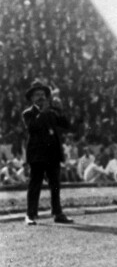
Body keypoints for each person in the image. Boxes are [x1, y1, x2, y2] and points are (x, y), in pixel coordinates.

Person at [22, 80, 73, 225]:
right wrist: (43, 112)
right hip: (37, 155)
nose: (41, 97)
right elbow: (33, 128)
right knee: (35, 185)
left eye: (43, 94)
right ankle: (30, 215)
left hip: (52, 154)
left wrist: (60, 110)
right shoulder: (28, 114)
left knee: (55, 185)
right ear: (32, 98)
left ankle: (57, 213)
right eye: (37, 95)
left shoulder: (51, 113)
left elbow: (66, 125)